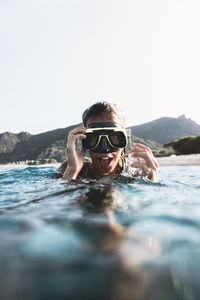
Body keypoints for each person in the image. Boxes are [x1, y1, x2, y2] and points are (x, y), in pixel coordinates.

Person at [59, 102, 159, 182]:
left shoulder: (135, 173)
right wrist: (72, 171)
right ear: (84, 139)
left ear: (124, 139)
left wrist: (152, 179)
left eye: (114, 136)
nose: (104, 148)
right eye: (94, 137)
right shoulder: (69, 168)